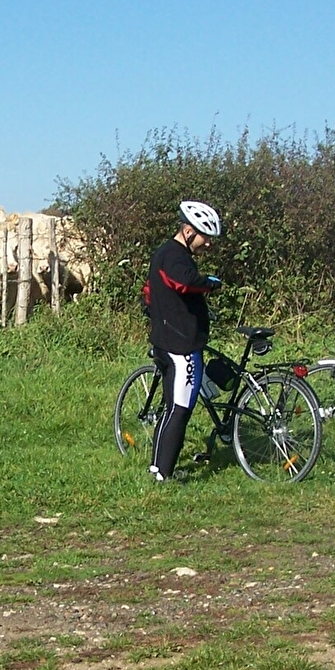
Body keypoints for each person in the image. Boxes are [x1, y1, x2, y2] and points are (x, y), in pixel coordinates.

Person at [142, 200, 224, 482]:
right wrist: (210, 283)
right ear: (188, 231)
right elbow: (184, 282)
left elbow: (150, 292)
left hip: (168, 341)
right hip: (181, 347)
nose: (208, 245)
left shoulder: (165, 253)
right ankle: (162, 473)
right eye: (205, 237)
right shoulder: (175, 257)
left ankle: (158, 468)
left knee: (172, 408)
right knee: (180, 410)